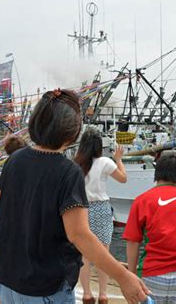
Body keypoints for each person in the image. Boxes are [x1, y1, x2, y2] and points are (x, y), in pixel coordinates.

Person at [0, 89, 149, 303]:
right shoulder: (67, 171)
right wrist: (123, 276)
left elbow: (0, 215)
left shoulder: (14, 160)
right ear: (72, 132)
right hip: (45, 288)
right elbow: (79, 235)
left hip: (7, 281)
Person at [123, 152, 176, 303]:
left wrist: (131, 276)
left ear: (157, 174)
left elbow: (133, 242)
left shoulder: (142, 201)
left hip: (153, 275)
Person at [74, 128, 127, 304]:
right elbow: (123, 179)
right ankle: (103, 295)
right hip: (101, 209)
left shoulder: (76, 164)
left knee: (84, 255)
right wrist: (118, 160)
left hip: (82, 210)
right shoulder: (105, 162)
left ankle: (87, 294)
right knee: (104, 254)